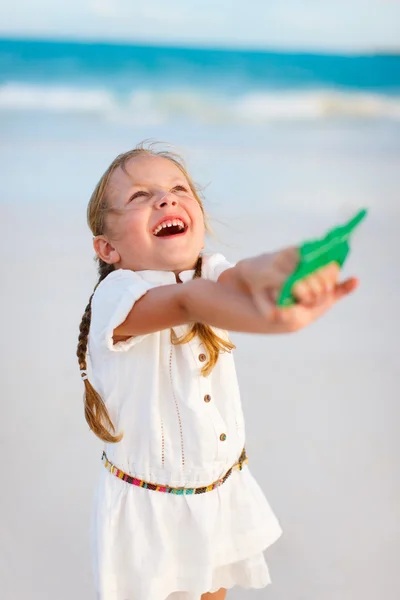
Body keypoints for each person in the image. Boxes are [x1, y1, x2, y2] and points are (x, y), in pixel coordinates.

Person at [77, 143, 358, 600]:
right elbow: (189, 302)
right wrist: (273, 315)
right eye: (140, 196)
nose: (164, 200)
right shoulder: (116, 296)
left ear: (200, 221)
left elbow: (240, 278)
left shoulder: (209, 270)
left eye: (177, 189)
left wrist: (279, 270)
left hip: (216, 490)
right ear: (108, 248)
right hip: (150, 509)